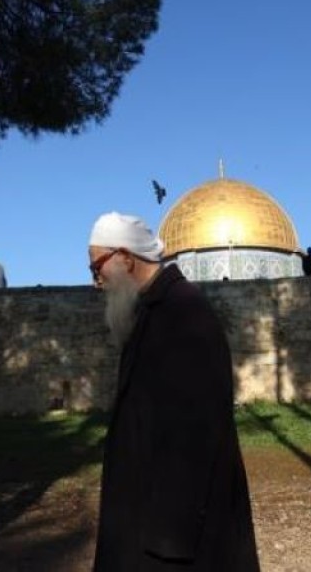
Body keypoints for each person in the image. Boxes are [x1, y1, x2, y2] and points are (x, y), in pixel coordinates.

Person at [88, 212, 259, 571]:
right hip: (149, 517)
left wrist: (169, 540)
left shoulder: (183, 312)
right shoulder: (153, 311)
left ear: (125, 257)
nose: (96, 281)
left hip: (174, 534)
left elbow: (197, 431)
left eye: (96, 267)